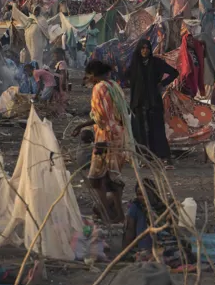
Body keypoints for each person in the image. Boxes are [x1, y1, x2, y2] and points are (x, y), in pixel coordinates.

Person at [72, 60, 133, 223]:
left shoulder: (99, 88)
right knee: (112, 177)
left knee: (96, 179)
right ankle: (117, 213)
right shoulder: (114, 85)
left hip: (105, 138)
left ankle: (107, 212)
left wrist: (83, 125)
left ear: (93, 75)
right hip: (119, 135)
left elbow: (100, 118)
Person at [126, 39, 178, 166]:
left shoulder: (156, 62)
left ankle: (164, 157)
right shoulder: (135, 64)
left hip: (153, 101)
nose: (145, 50)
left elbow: (174, 73)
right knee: (140, 130)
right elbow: (126, 78)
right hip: (138, 103)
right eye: (142, 48)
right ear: (139, 49)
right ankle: (145, 157)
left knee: (157, 129)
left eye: (147, 48)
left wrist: (162, 84)